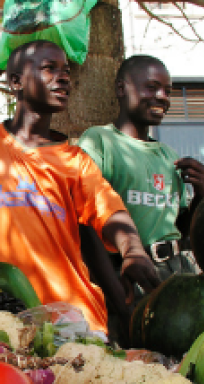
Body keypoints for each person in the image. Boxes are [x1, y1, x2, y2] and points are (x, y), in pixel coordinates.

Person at [0, 40, 161, 337]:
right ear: (16, 81)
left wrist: (132, 249)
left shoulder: (76, 161)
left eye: (66, 71)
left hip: (72, 320)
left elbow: (110, 213)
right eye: (49, 68)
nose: (64, 78)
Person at [78, 55, 204, 290]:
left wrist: (200, 195)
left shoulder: (168, 155)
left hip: (177, 270)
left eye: (168, 91)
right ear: (121, 88)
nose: (162, 98)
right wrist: (112, 289)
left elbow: (178, 228)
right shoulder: (100, 141)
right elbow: (84, 220)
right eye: (152, 87)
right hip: (129, 275)